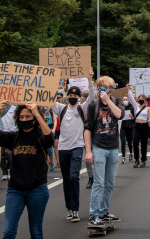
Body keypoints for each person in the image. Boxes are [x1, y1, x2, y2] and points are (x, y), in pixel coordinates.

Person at [0, 102, 54, 239]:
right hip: (15, 190)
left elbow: (49, 138)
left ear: (34, 119)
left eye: (27, 116)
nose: (24, 119)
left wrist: (36, 112)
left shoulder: (39, 136)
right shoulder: (15, 137)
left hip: (37, 189)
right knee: (8, 232)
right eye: (21, 117)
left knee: (36, 232)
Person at [51, 74, 95, 223]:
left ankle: (75, 209)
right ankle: (69, 208)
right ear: (66, 96)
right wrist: (54, 82)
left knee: (74, 176)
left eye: (75, 95)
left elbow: (91, 96)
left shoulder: (82, 108)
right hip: (63, 148)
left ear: (78, 97)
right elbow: (47, 98)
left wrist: (90, 80)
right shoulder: (61, 109)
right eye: (70, 94)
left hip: (77, 147)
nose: (73, 97)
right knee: (66, 180)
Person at [84, 76, 123, 228]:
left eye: (109, 88)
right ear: (99, 88)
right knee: (98, 183)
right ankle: (94, 214)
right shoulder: (93, 105)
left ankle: (104, 212)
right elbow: (87, 129)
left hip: (113, 147)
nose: (106, 91)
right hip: (99, 147)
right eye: (103, 88)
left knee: (110, 182)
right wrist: (88, 151)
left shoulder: (117, 101)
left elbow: (119, 114)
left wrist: (108, 101)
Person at [128, 85, 150, 168]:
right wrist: (129, 89)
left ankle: (143, 160)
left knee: (143, 144)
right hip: (137, 125)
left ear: (145, 101)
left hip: (145, 126)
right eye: (140, 99)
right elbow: (131, 99)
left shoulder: (148, 108)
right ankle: (136, 159)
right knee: (135, 142)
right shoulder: (136, 107)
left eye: (142, 99)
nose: (141, 100)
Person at [119, 95, 134, 165]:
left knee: (130, 141)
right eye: (123, 99)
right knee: (123, 141)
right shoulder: (121, 108)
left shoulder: (131, 107)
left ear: (128, 100)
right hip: (122, 126)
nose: (125, 101)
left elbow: (134, 118)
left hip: (130, 126)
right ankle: (123, 157)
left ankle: (131, 153)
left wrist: (132, 116)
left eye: (126, 99)